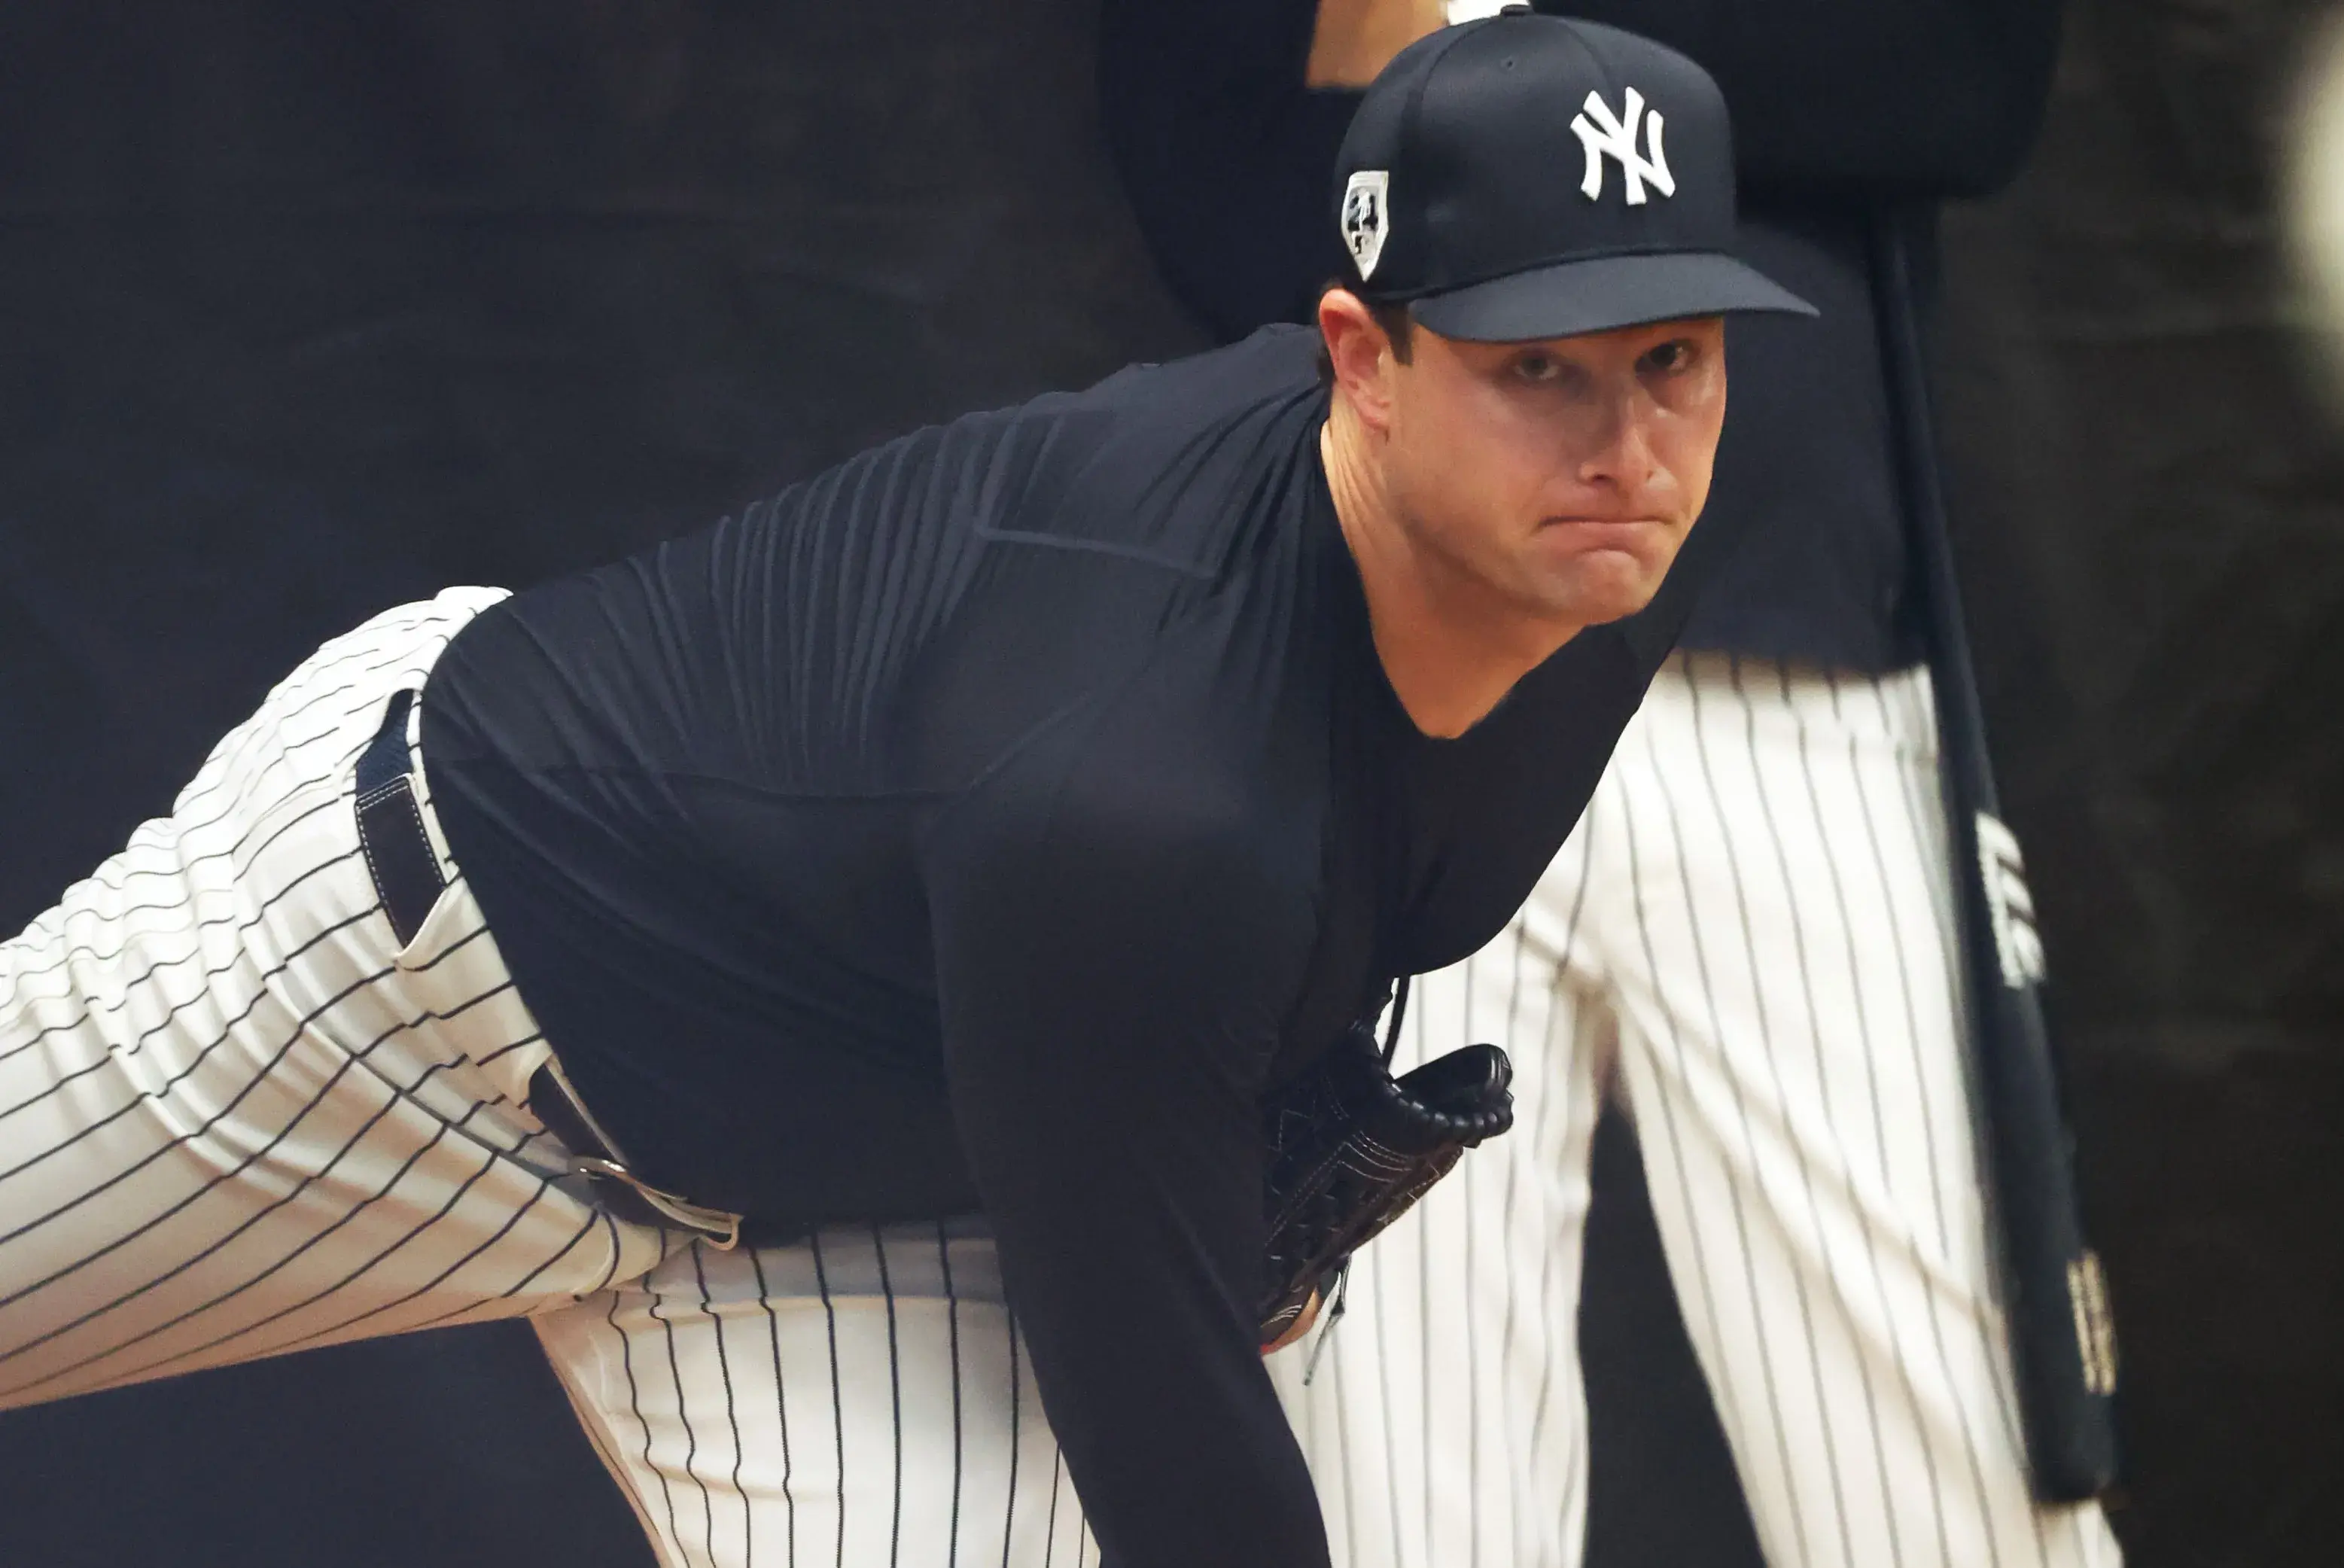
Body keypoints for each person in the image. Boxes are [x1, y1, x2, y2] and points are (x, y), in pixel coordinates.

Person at [0, 14, 1813, 1567]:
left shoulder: (1603, 547)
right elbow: (1183, 1451)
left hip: (867, 1178)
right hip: (404, 987)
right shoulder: (1139, 787)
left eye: (1671, 356)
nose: (1625, 441)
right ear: (1366, 362)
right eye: (1538, 368)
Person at [1104, 2, 2123, 1565]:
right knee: (1402, 1521)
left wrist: (1471, 31)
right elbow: (1203, 157)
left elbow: (1963, 74)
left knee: (1958, 1508)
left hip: (1792, 678)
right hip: (1395, 685)